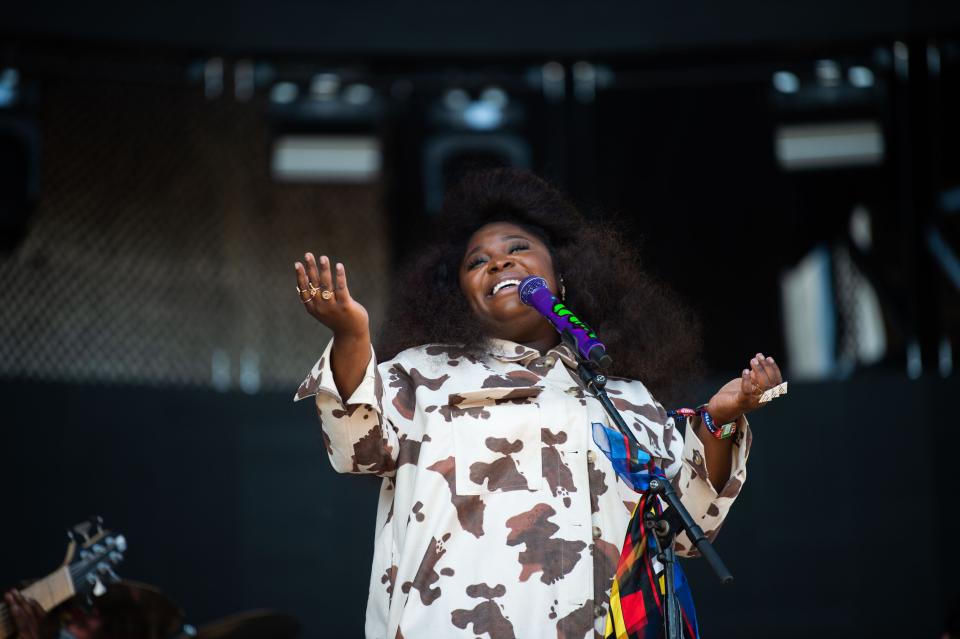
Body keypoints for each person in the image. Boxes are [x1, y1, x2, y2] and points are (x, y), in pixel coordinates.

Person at [293, 168, 782, 639]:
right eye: (476, 262)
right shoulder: (422, 375)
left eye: (517, 248)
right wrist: (352, 335)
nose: (497, 263)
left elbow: (684, 528)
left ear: (562, 277)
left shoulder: (624, 400)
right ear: (463, 298)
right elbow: (357, 447)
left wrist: (719, 420)